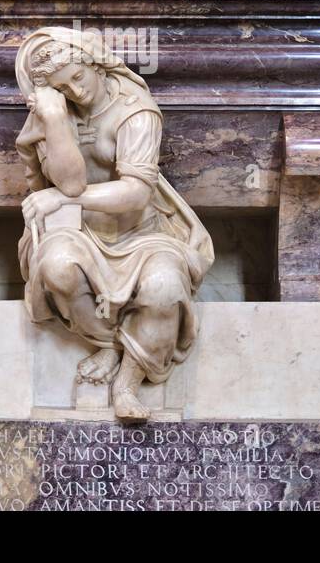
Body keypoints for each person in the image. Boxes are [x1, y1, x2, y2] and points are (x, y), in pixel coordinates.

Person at [16, 27, 214, 421]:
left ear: (96, 64)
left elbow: (135, 194)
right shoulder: (56, 113)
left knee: (163, 287)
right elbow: (71, 181)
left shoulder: (135, 110)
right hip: (83, 232)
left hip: (146, 234)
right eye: (62, 87)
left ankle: (127, 382)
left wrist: (59, 198)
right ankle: (108, 342)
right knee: (56, 266)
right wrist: (55, 118)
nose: (76, 91)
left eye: (78, 76)